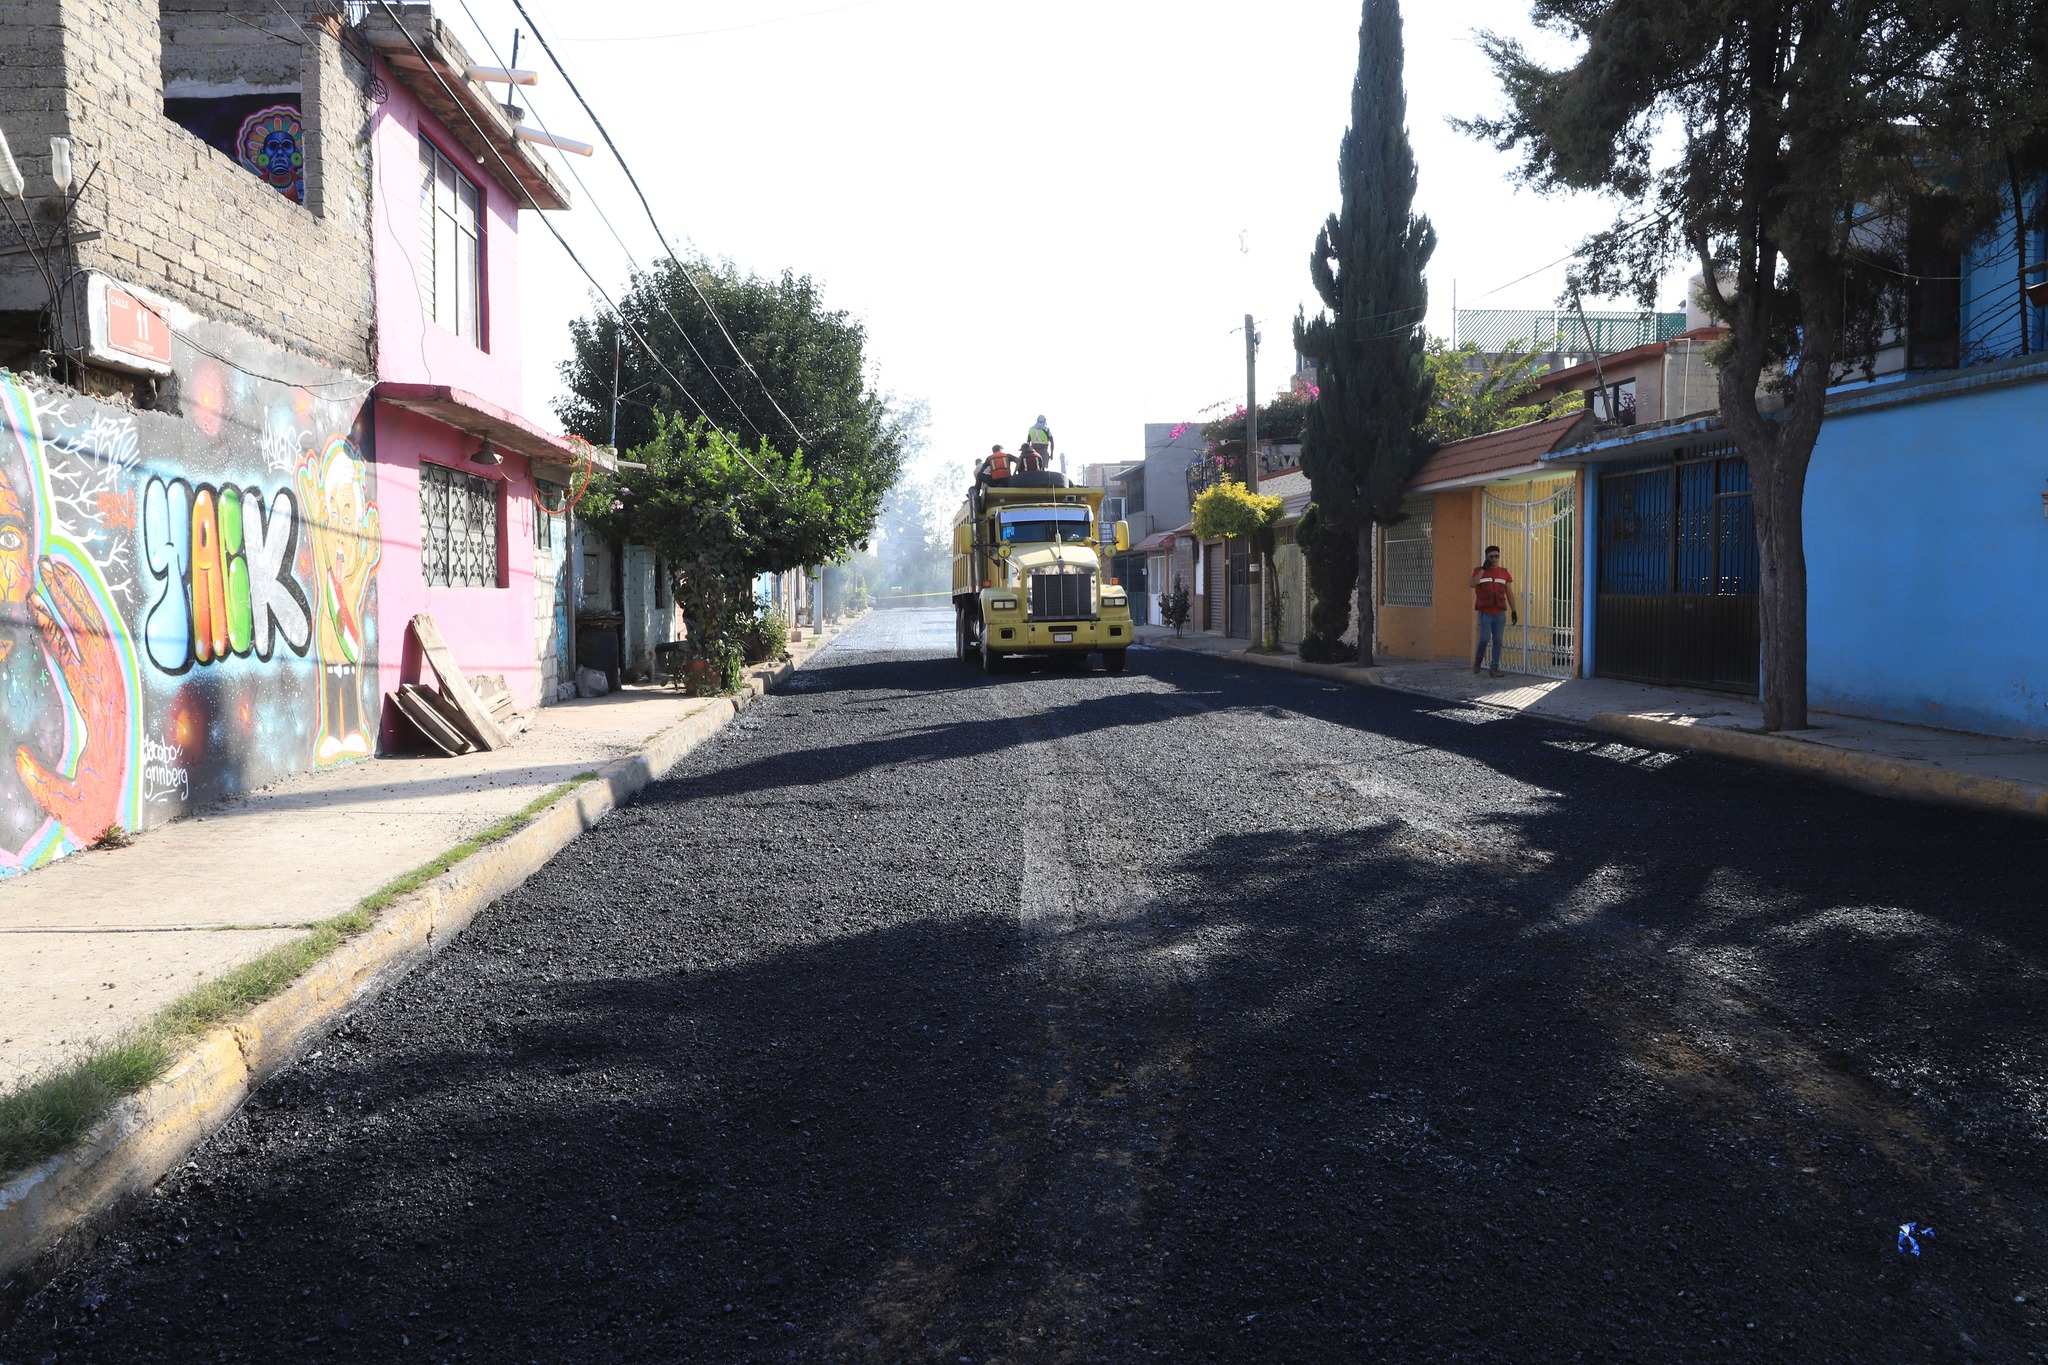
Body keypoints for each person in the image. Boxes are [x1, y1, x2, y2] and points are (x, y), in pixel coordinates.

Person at [1470, 545, 1519, 677]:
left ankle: (1494, 667)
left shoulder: (1504, 572)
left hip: (1499, 612)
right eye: (1491, 556)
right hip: (1485, 611)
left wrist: (1514, 610)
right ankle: (1478, 660)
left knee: (1498, 641)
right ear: (1486, 557)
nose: (1494, 559)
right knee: (1484, 639)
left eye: (1496, 556)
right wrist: (1483, 569)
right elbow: (1472, 584)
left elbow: (1509, 593)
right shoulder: (1478, 571)